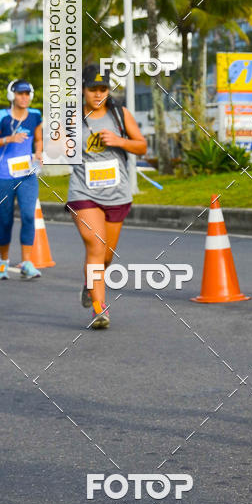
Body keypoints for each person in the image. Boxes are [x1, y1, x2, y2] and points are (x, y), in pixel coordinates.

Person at [67, 66, 147, 330]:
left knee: (106, 257)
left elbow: (142, 146)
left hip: (117, 194)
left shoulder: (120, 115)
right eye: (93, 89)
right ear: (82, 90)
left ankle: (90, 283)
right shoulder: (70, 117)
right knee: (95, 245)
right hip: (83, 193)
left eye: (103, 89)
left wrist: (119, 141)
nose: (98, 94)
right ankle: (100, 308)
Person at [0, 80, 43, 280]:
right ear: (12, 95)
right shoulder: (1, 116)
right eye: (20, 93)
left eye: (27, 93)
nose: (24, 97)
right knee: (6, 221)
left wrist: (39, 152)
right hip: (3, 176)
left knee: (29, 216)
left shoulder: (35, 115)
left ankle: (26, 263)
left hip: (27, 175)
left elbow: (38, 138)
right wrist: (8, 139)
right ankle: (3, 262)